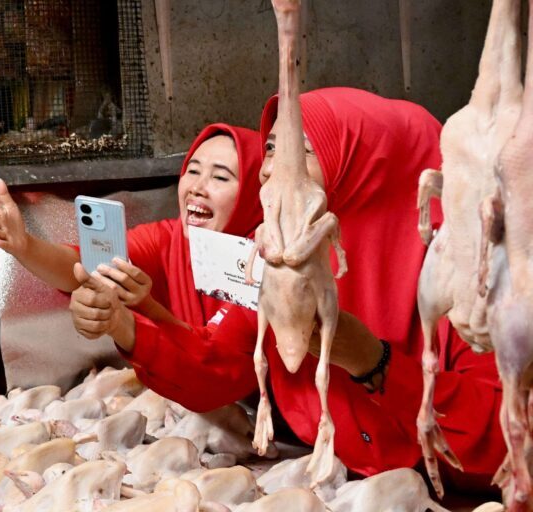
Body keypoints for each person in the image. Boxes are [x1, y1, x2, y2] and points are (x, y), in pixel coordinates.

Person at [70, 87, 505, 493]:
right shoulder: (287, 256)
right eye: (273, 147)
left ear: (366, 168)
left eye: (304, 151)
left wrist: (370, 360)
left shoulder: (474, 271)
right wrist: (124, 324)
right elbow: (217, 364)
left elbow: (499, 436)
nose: (272, 168)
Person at [0, 123, 263, 332]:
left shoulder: (261, 263)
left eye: (221, 178)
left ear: (255, 192)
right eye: (194, 170)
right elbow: (87, 266)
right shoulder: (167, 239)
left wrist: (139, 312)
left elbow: (218, 357)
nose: (197, 188)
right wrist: (25, 245)